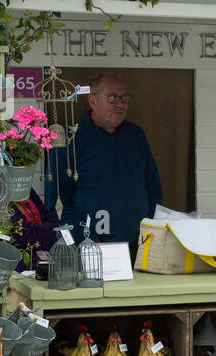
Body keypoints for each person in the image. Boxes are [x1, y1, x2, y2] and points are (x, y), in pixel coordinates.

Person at [45, 72, 161, 253]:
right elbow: (58, 201)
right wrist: (83, 240)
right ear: (92, 100)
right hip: (90, 247)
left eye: (124, 98)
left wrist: (152, 230)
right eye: (113, 98)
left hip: (139, 245)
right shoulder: (69, 140)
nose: (121, 104)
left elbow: (153, 187)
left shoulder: (136, 135)